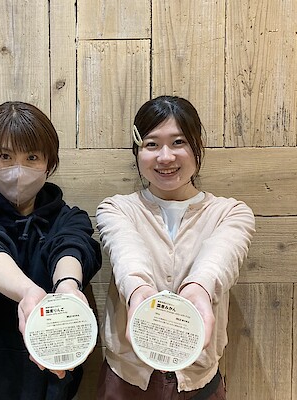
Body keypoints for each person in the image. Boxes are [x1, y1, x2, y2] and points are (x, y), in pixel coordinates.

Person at [0, 101, 102, 400]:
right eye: (4, 156)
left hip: (48, 386)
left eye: (32, 157)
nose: (18, 169)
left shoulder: (70, 219)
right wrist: (27, 292)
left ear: (49, 163)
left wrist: (68, 286)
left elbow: (70, 247)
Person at [95, 95, 255, 399]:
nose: (165, 157)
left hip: (198, 381)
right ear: (137, 151)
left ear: (197, 146)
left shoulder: (231, 213)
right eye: (152, 144)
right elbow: (127, 252)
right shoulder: (116, 209)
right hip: (126, 379)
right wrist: (139, 292)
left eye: (178, 142)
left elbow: (220, 256)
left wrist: (199, 290)